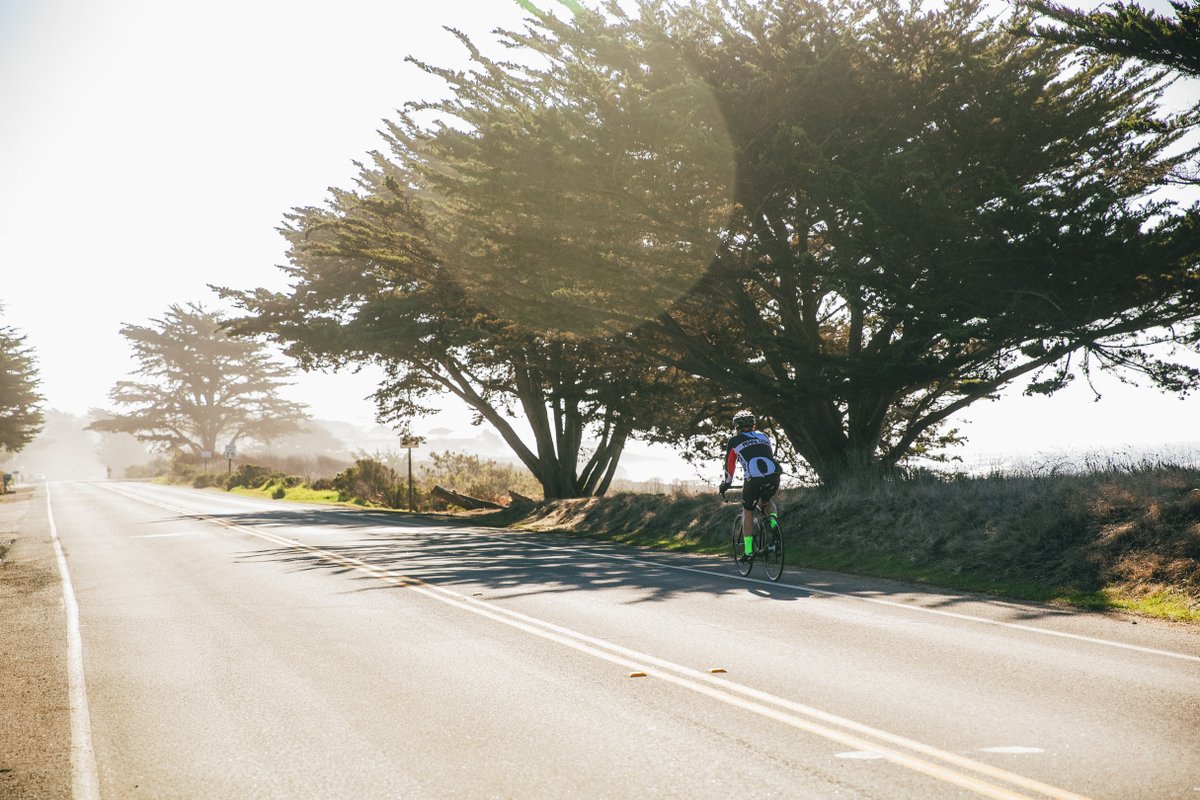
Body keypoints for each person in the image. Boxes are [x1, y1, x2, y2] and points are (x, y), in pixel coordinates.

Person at [718, 411, 781, 560]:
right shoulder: (764, 437)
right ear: (753, 426)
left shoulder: (734, 441)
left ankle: (748, 551)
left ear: (736, 427)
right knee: (766, 501)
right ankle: (774, 526)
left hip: (753, 479)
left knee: (748, 511)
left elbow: (730, 465)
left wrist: (726, 483)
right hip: (774, 475)